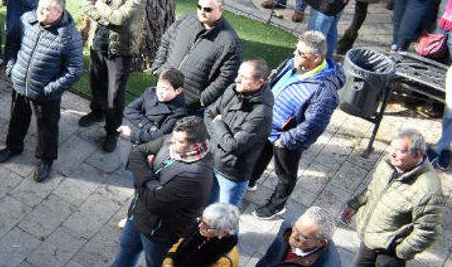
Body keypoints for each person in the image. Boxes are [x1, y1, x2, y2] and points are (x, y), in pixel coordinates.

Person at [250, 32, 343, 220]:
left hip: (286, 137)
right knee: (259, 156)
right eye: (297, 49)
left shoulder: (323, 91)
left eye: (301, 53)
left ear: (316, 58)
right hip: (268, 125)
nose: (294, 54)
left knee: (285, 174)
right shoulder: (294, 62)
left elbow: (314, 125)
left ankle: (277, 206)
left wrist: (287, 140)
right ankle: (250, 181)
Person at [0, 0, 84, 183]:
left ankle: (46, 160)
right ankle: (13, 146)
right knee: (17, 117)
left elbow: (75, 70)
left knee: (47, 127)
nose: (39, 13)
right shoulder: (27, 19)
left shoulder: (69, 36)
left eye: (45, 11)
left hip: (45, 93)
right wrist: (11, 68)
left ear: (58, 13)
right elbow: (12, 43)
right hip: (20, 83)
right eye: (39, 8)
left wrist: (49, 90)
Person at [111, 116, 216, 267]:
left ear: (196, 145)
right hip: (136, 216)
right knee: (125, 253)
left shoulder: (195, 177)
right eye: (173, 137)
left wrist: (142, 176)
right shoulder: (173, 139)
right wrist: (151, 182)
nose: (171, 142)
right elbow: (137, 153)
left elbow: (154, 204)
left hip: (158, 235)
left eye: (179, 141)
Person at [80, 0, 149, 151]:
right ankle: (97, 111)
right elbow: (86, 4)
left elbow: (122, 19)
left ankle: (112, 131)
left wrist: (101, 7)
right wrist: (107, 14)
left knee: (115, 92)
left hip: (120, 49)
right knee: (96, 80)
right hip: (98, 41)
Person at [342, 128, 445, 265]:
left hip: (391, 253)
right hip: (370, 240)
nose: (392, 153)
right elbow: (374, 188)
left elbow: (427, 231)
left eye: (400, 151)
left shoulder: (428, 189)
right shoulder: (388, 163)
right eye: (392, 147)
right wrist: (355, 204)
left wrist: (400, 251)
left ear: (416, 155)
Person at [150, 0, 242, 114]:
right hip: (162, 92)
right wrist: (158, 68)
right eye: (199, 7)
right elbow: (166, 41)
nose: (202, 12)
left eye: (207, 9)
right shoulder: (186, 19)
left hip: (188, 107)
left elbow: (225, 79)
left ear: (220, 10)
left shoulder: (229, 42)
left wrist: (200, 100)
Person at [204, 57, 273, 206]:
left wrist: (218, 123)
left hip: (231, 174)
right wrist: (221, 130)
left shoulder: (261, 114)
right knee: (208, 209)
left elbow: (233, 146)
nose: (237, 80)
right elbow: (208, 113)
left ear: (259, 83)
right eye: (238, 74)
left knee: (226, 220)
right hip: (212, 160)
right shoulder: (232, 90)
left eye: (243, 77)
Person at [121, 68, 189, 145]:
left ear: (178, 91)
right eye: (159, 87)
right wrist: (150, 127)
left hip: (143, 141)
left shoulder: (179, 112)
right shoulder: (150, 92)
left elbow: (160, 136)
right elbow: (129, 110)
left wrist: (132, 134)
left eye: (165, 89)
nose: (160, 92)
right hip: (133, 128)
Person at [256, 206, 341, 267]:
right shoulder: (289, 223)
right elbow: (271, 254)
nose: (292, 236)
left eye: (303, 236)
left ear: (321, 243)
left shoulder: (329, 264)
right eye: (295, 228)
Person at [161, 203, 240, 267]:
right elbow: (179, 245)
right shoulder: (201, 230)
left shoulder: (225, 261)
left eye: (207, 226)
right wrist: (168, 262)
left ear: (223, 232)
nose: (200, 226)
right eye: (201, 220)